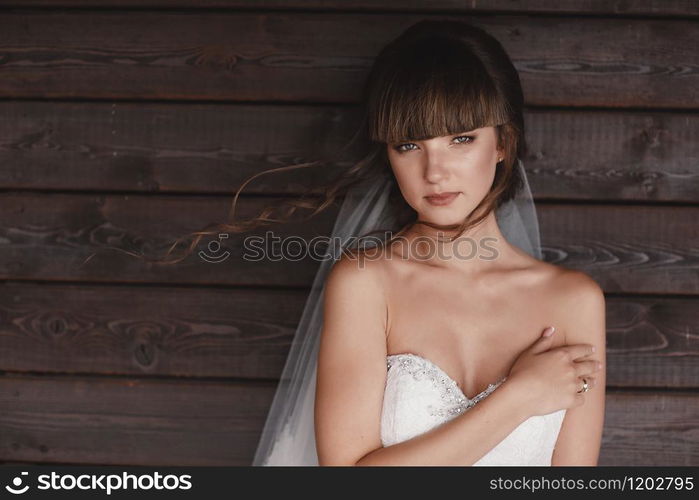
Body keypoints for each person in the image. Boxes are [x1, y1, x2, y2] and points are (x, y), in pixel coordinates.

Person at [98, 19, 606, 466]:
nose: (435, 170)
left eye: (461, 138)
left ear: (502, 143)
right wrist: (518, 398)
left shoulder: (573, 301)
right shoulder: (367, 283)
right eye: (409, 145)